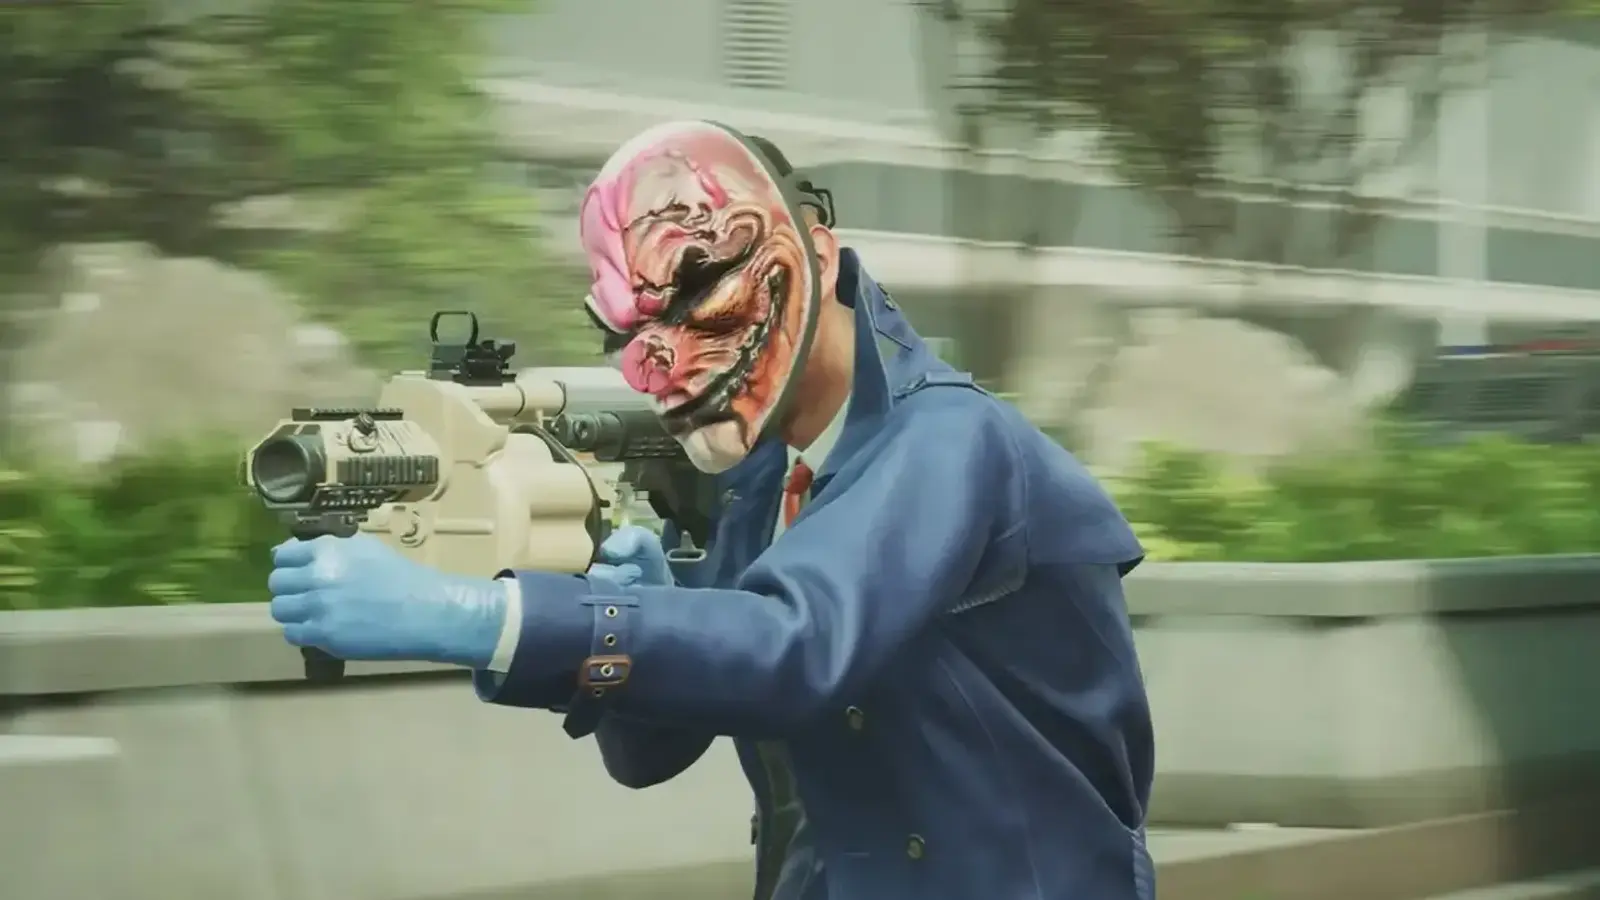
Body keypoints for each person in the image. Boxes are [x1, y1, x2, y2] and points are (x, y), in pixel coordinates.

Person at [267, 121, 1156, 900]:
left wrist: (476, 615)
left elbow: (793, 648)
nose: (662, 363)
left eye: (699, 293)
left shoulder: (951, 439)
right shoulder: (761, 483)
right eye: (629, 332)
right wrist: (649, 605)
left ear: (816, 252)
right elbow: (650, 753)